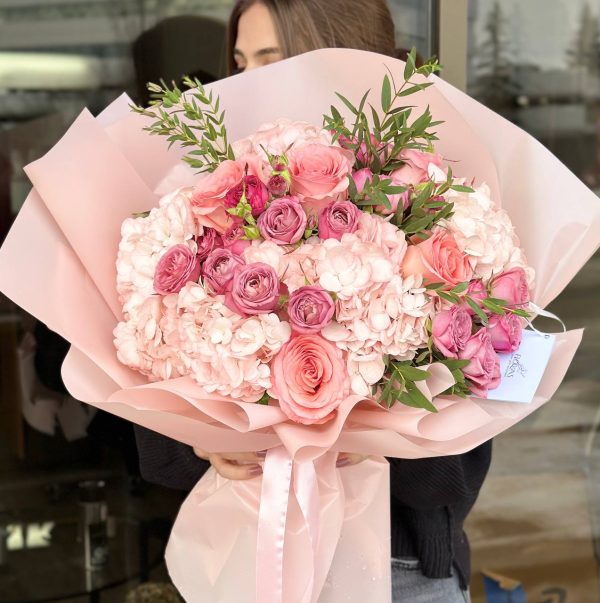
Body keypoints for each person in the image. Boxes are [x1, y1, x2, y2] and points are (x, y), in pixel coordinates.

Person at [134, 1, 490, 601]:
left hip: (405, 574)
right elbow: (155, 456)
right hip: (251, 563)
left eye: (271, 61)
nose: (246, 83)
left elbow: (453, 479)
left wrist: (361, 427)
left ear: (339, 60)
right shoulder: (211, 207)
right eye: (239, 63)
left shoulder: (432, 209)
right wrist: (207, 442)